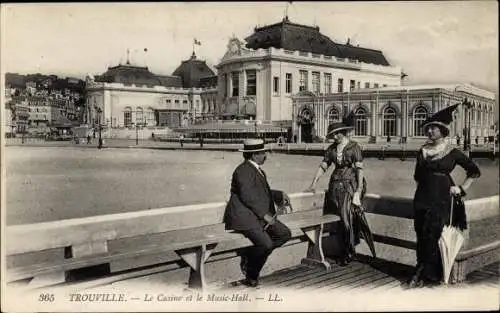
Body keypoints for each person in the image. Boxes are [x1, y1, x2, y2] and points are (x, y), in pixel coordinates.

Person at [407, 104, 480, 288]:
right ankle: (421, 270)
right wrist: (422, 193)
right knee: (421, 235)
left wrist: (461, 189)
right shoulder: (422, 151)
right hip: (422, 198)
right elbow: (417, 176)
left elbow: (474, 171)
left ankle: (434, 276)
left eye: (433, 128)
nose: (429, 131)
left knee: (436, 235)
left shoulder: (452, 152)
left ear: (443, 130)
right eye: (428, 128)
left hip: (442, 200)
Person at [223, 139, 292, 287]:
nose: (265, 155)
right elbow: (248, 196)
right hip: (244, 217)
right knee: (266, 244)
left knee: (285, 234)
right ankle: (251, 275)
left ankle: (250, 255)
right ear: (254, 155)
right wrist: (265, 216)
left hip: (256, 216)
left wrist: (279, 194)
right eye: (263, 153)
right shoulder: (242, 171)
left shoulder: (256, 170)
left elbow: (260, 192)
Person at [305, 112, 366, 266]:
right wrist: (314, 183)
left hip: (348, 186)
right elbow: (323, 166)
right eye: (332, 134)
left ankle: (349, 250)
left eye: (336, 134)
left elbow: (359, 170)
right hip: (334, 186)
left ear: (342, 133)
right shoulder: (332, 149)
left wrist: (358, 189)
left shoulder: (354, 147)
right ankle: (340, 250)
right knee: (335, 218)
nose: (334, 137)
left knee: (346, 218)